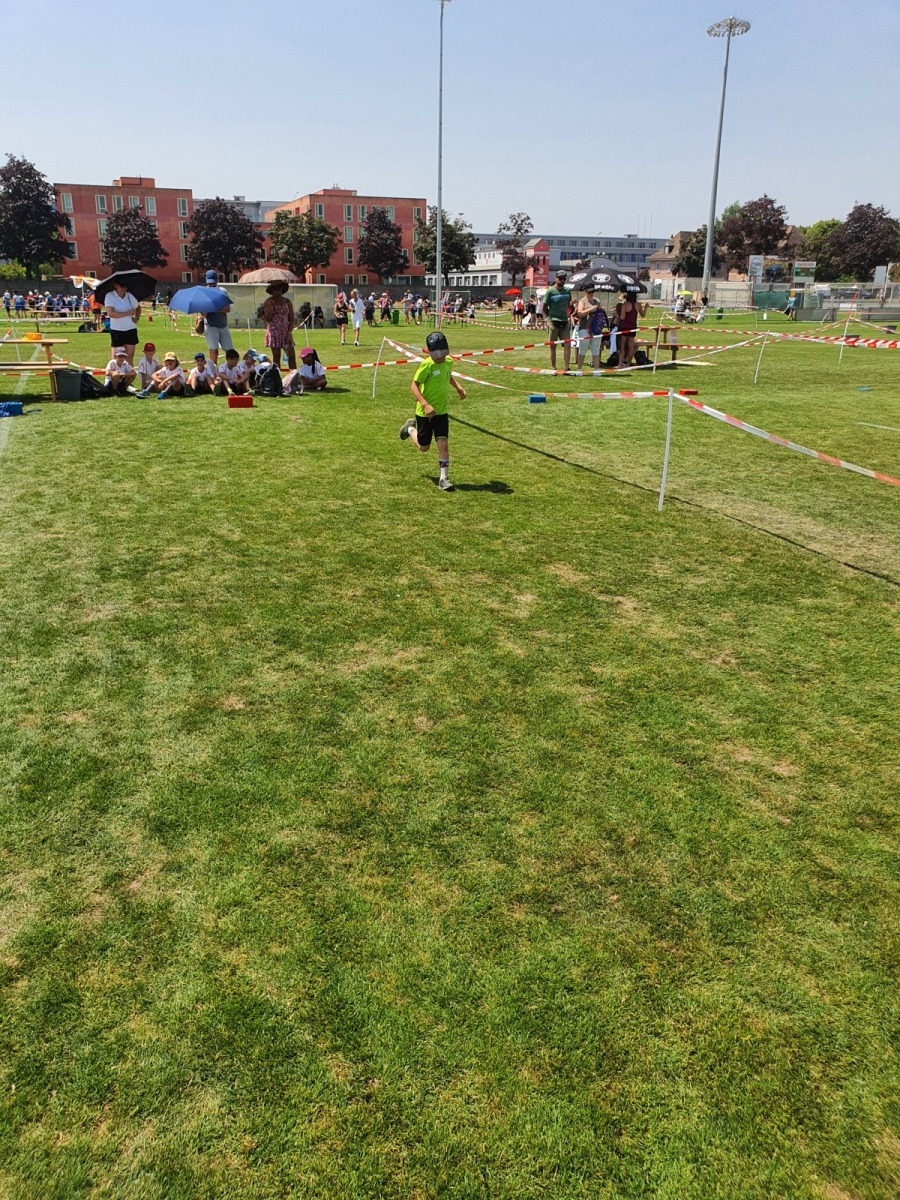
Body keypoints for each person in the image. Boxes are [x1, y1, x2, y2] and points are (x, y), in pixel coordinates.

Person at [398, 329, 466, 493]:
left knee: (443, 443)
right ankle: (410, 429)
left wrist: (458, 387)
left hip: (441, 412)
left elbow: (448, 375)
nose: (441, 357)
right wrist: (425, 404)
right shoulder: (427, 365)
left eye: (443, 354)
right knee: (424, 447)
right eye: (437, 355)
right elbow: (413, 386)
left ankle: (444, 479)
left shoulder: (448, 361)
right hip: (425, 413)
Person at [103, 277, 141, 365]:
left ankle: (128, 373)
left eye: (125, 286)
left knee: (129, 357)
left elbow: (138, 307)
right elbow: (111, 314)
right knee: (116, 358)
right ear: (116, 285)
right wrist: (128, 313)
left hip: (131, 329)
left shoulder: (129, 295)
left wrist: (137, 318)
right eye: (121, 286)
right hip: (117, 330)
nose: (124, 289)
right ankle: (115, 374)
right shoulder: (110, 296)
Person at [201, 269, 234, 365]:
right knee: (214, 352)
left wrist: (212, 307)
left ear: (217, 280)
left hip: (223, 325)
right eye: (210, 283)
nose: (212, 285)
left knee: (230, 351)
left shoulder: (222, 291)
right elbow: (204, 314)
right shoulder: (203, 293)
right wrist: (217, 307)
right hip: (210, 326)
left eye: (213, 283)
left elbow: (227, 309)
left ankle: (231, 370)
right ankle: (213, 372)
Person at [262, 281, 296, 369]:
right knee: (276, 357)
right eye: (274, 289)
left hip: (286, 332)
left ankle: (294, 375)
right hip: (274, 332)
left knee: (291, 356)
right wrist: (270, 310)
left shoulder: (287, 302)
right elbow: (268, 319)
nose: (276, 291)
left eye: (278, 289)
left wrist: (289, 333)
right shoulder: (269, 302)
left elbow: (291, 318)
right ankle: (277, 376)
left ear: (282, 289)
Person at [574, 285, 609, 371]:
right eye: (589, 292)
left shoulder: (597, 301)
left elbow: (601, 313)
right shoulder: (582, 301)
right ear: (585, 292)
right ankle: (579, 369)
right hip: (584, 328)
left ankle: (597, 370)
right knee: (583, 348)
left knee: (596, 349)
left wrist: (602, 309)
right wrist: (590, 309)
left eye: (593, 291)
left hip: (596, 328)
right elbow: (580, 313)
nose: (591, 294)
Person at [543, 271, 572, 371]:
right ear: (556, 278)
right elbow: (544, 308)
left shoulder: (567, 291)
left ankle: (566, 368)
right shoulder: (550, 291)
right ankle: (553, 367)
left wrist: (568, 316)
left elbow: (568, 305)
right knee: (552, 346)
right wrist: (548, 321)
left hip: (564, 322)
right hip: (553, 322)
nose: (562, 280)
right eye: (560, 278)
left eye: (564, 279)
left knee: (567, 345)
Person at [614, 292, 649, 368]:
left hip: (624, 327)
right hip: (632, 327)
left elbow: (623, 317)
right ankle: (628, 363)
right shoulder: (638, 305)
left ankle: (620, 364)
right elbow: (643, 315)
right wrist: (646, 307)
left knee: (622, 346)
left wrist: (617, 315)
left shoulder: (625, 305)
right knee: (631, 346)